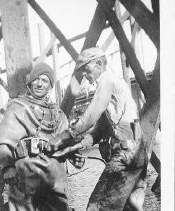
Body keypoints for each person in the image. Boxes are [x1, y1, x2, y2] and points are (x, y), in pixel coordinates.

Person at [45, 47, 147, 211]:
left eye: (86, 70)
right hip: (137, 151)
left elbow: (90, 116)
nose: (84, 76)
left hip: (125, 153)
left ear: (99, 64)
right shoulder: (115, 87)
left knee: (97, 206)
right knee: (132, 205)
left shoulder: (107, 81)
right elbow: (99, 131)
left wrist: (62, 136)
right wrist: (71, 148)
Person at [0, 62, 71, 211]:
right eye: (36, 79)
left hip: (54, 176)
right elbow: (1, 144)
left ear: (50, 86)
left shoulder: (58, 115)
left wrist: (74, 153)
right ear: (30, 82)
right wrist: (7, 167)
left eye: (45, 80)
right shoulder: (18, 109)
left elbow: (67, 140)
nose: (40, 84)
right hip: (26, 176)